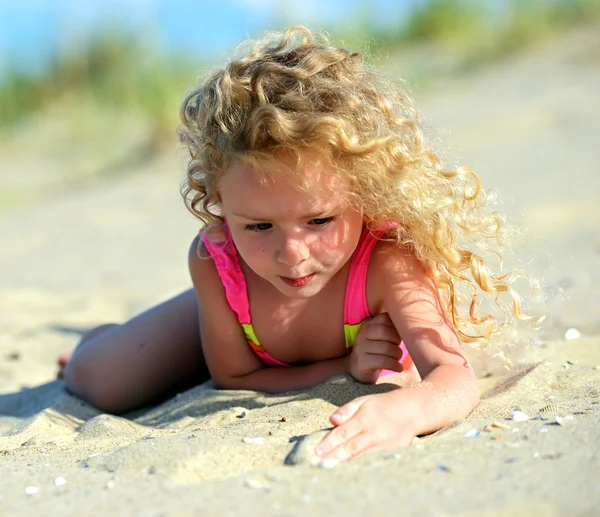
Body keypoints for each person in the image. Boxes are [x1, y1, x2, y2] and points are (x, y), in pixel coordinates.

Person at [60, 25, 532, 464]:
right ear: (220, 204)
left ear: (366, 196)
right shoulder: (216, 260)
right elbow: (233, 378)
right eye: (258, 226)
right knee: (97, 380)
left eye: (320, 219)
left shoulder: (387, 262)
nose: (293, 252)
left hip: (270, 310)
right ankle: (99, 336)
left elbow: (454, 378)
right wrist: (346, 366)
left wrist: (408, 411)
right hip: (240, 298)